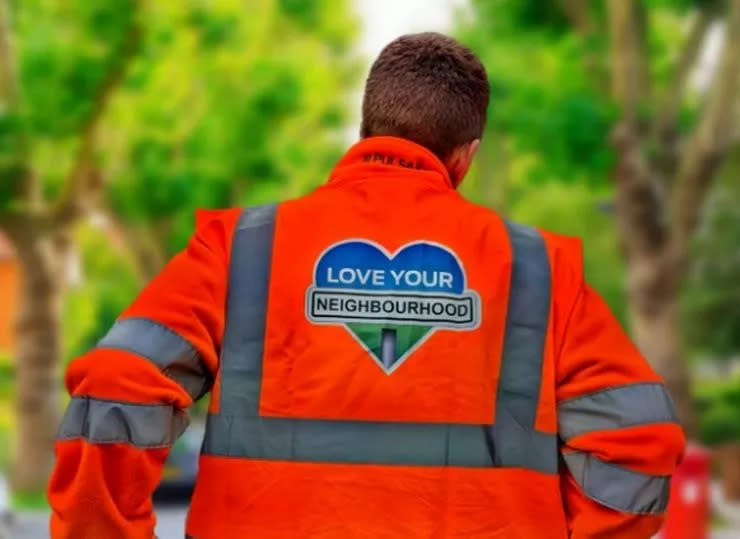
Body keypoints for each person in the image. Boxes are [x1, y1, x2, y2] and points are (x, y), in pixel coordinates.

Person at [48, 32, 685, 539]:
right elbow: (640, 443)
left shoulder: (242, 249)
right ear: (466, 155)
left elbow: (116, 386)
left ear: (366, 130)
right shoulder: (539, 269)